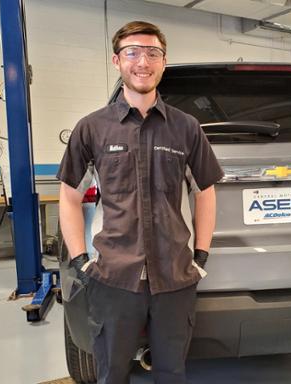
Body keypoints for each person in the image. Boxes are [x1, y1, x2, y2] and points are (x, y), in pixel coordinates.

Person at [57, 20, 223, 384]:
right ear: (117, 61)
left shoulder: (186, 128)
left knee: (172, 373)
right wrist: (81, 260)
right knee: (112, 373)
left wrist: (201, 256)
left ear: (163, 61)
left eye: (152, 53)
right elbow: (69, 196)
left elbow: (205, 191)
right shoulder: (92, 128)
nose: (142, 62)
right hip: (114, 277)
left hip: (175, 278)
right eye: (132, 52)